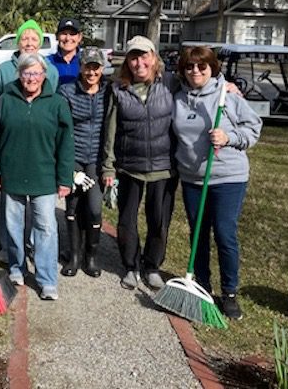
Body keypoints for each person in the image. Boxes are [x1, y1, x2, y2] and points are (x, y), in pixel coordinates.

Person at [172, 46, 262, 320]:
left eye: (202, 67)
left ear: (212, 68)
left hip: (228, 177)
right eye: (189, 67)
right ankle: (202, 285)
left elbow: (253, 128)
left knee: (224, 233)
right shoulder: (178, 98)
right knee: (197, 234)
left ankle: (230, 293)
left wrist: (229, 138)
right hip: (192, 178)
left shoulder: (229, 97)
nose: (196, 71)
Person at [0, 53, 73, 301]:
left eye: (36, 73)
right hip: (12, 174)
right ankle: (17, 268)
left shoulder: (56, 103)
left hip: (44, 177)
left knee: (46, 227)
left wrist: (64, 178)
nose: (32, 78)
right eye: (27, 73)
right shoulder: (5, 100)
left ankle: (47, 279)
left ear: (44, 76)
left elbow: (66, 144)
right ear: (19, 75)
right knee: (13, 226)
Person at [101, 35, 177, 291]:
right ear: (127, 62)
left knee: (158, 221)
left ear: (154, 58)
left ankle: (152, 266)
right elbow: (110, 131)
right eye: (134, 57)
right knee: (127, 220)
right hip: (129, 166)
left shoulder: (171, 83)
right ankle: (131, 266)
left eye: (144, 56)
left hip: (163, 167)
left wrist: (227, 86)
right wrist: (108, 166)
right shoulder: (117, 90)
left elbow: (202, 84)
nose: (139, 62)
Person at [58, 46, 110, 277]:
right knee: (72, 205)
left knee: (94, 208)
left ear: (102, 68)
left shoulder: (110, 91)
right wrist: (66, 166)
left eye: (96, 67)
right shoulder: (67, 91)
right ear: (80, 67)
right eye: (87, 67)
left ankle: (91, 255)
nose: (91, 72)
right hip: (74, 157)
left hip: (97, 160)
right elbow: (59, 130)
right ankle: (74, 255)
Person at [0, 19, 58, 95]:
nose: (29, 43)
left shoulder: (51, 71)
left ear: (40, 44)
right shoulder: (3, 70)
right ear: (18, 43)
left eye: (34, 39)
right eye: (25, 39)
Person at [48, 18, 83, 86]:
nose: (68, 38)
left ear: (79, 37)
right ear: (57, 36)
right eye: (64, 34)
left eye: (72, 34)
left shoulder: (85, 62)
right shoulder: (47, 62)